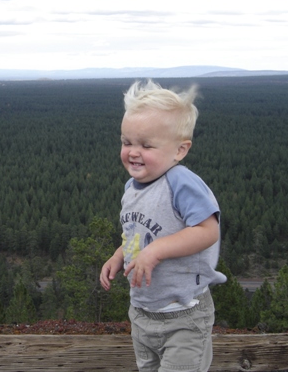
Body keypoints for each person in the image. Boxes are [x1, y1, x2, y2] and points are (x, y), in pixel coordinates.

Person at [100, 79, 226, 372]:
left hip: (184, 314)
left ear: (180, 150)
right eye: (126, 141)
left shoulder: (181, 183)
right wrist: (119, 256)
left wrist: (155, 251)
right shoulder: (132, 187)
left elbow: (208, 231)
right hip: (143, 313)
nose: (133, 151)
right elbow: (138, 233)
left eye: (146, 145)